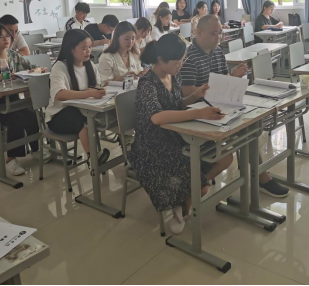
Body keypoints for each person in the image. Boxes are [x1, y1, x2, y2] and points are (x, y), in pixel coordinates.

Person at [129, 34, 233, 235]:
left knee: (225, 157)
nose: (180, 66)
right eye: (177, 62)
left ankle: (186, 193)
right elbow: (157, 117)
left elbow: (177, 104)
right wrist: (198, 113)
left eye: (182, 61)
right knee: (202, 188)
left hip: (177, 135)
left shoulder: (173, 75)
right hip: (153, 147)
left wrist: (195, 96)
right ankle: (189, 194)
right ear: (161, 60)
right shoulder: (147, 82)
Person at [181, 15, 290, 198]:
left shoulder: (217, 52)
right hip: (200, 113)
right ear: (198, 33)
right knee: (245, 128)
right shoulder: (189, 58)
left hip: (221, 105)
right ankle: (261, 176)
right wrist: (220, 85)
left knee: (250, 123)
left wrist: (234, 75)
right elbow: (187, 94)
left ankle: (259, 173)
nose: (218, 37)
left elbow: (224, 79)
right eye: (213, 33)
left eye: (220, 33)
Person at [0, 24, 50, 176]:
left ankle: (36, 149)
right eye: (1, 37)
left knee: (31, 114)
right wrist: (1, 76)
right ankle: (11, 159)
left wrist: (38, 70)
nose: (6, 39)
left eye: (8, 36)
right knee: (16, 120)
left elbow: (31, 67)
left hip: (12, 100)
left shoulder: (13, 55)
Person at [46, 29, 110, 166]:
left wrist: (100, 91)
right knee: (85, 121)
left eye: (90, 47)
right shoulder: (60, 67)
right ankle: (93, 157)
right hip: (59, 115)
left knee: (101, 116)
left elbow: (97, 87)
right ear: (71, 49)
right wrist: (89, 93)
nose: (88, 51)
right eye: (84, 48)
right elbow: (59, 94)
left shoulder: (90, 65)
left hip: (83, 109)